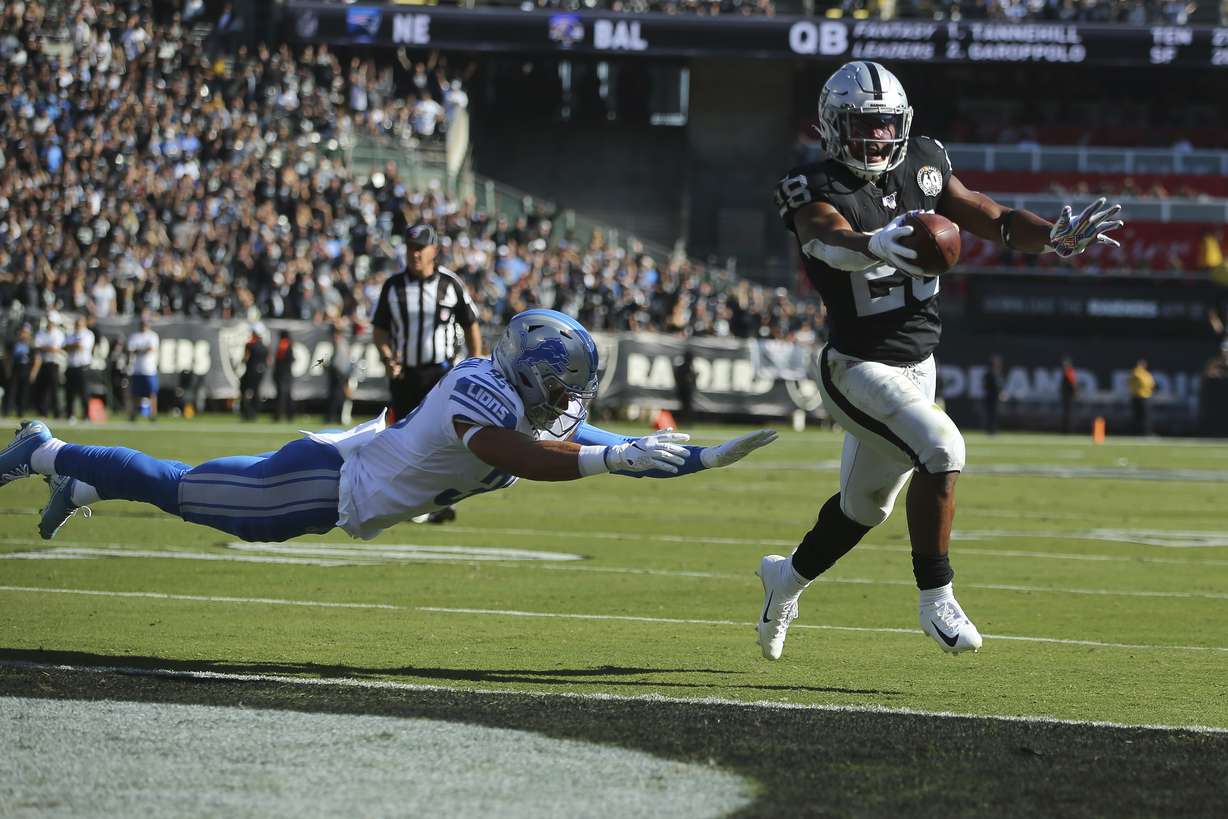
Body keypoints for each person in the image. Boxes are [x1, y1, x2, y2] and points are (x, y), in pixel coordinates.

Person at [762, 61, 1124, 658]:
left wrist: (1052, 236)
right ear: (831, 126)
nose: (876, 138)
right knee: (944, 448)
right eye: (862, 125)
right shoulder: (811, 183)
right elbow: (823, 237)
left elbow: (995, 218)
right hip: (856, 366)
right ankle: (937, 596)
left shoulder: (924, 163)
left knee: (864, 508)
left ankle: (785, 579)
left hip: (917, 364)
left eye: (883, 125)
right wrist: (872, 242)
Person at [2, 310, 778, 546]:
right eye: (556, 385)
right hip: (332, 482)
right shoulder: (479, 390)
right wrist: (609, 463)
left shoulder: (535, 397)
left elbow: (614, 445)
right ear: (524, 370)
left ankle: (77, 474)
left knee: (195, 485)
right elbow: (524, 455)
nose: (564, 400)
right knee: (185, 492)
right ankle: (48, 446)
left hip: (352, 467)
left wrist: (702, 456)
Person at [373, 223, 483, 523]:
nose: (415, 254)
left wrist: (476, 364)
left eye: (420, 248)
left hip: (441, 375)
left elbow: (470, 322)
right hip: (404, 375)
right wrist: (386, 356)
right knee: (402, 442)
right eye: (410, 248)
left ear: (434, 250)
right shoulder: (393, 286)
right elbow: (380, 329)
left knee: (441, 442)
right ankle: (414, 503)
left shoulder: (450, 284)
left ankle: (438, 501)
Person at [31, 314, 66, 420]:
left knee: (54, 389)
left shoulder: (58, 334)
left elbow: (54, 349)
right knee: (43, 389)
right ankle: (43, 412)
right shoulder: (41, 333)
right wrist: (48, 348)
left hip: (53, 363)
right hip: (43, 363)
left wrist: (44, 348)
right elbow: (37, 347)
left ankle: (57, 413)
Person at [127, 314, 160, 422]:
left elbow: (151, 349)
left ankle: (153, 414)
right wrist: (143, 349)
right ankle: (133, 414)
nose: (144, 325)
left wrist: (139, 350)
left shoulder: (152, 336)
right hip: (137, 369)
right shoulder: (134, 336)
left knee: (152, 393)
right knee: (135, 394)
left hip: (149, 370)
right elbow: (131, 350)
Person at [63, 317, 96, 422]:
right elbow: (64, 347)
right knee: (70, 392)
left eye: (79, 323)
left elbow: (81, 346)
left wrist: (71, 346)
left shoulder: (88, 334)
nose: (77, 325)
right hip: (71, 366)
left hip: (83, 367)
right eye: (76, 323)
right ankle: (70, 415)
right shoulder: (71, 334)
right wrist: (73, 346)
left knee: (84, 392)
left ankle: (86, 415)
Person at [3, 324, 35, 418]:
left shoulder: (30, 345)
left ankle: (20, 411)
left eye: (25, 332)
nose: (22, 334)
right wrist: (7, 369)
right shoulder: (13, 343)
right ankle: (7, 411)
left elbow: (36, 359)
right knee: (11, 390)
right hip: (14, 368)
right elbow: (7, 357)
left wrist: (33, 372)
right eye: (21, 332)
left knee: (23, 392)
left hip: (26, 369)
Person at [239, 325, 268, 421]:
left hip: (250, 371)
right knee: (256, 392)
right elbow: (268, 361)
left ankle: (247, 412)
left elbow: (245, 358)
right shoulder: (264, 346)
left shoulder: (250, 345)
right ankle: (254, 413)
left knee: (244, 391)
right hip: (260, 371)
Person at [272, 329, 295, 421]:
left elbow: (279, 361)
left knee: (281, 395)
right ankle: (290, 415)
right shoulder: (290, 344)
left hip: (281, 373)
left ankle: (278, 415)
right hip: (288, 373)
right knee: (288, 394)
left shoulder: (283, 345)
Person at [1128, 358, 1155, 436]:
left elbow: (1151, 384)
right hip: (1139, 396)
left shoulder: (1145, 373)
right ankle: (1142, 432)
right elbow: (1144, 382)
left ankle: (1145, 432)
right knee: (1140, 417)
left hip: (1144, 396)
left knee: (1144, 416)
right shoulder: (1137, 372)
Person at [982, 355, 1004, 436]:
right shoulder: (989, 373)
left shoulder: (997, 373)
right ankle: (990, 430)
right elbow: (986, 386)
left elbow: (999, 386)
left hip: (995, 398)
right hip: (990, 397)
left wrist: (1001, 393)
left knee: (995, 414)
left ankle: (993, 430)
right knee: (990, 414)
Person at [1060, 357, 1078, 434]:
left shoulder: (1069, 372)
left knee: (1068, 414)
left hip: (1069, 397)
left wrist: (1075, 393)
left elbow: (1073, 384)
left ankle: (1068, 430)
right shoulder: (1066, 372)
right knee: (1066, 414)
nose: (1064, 366)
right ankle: (1066, 430)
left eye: (1066, 364)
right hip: (1066, 396)